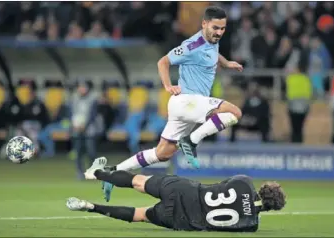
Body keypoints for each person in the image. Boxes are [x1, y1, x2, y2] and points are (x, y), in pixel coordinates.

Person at [101, 6, 243, 202]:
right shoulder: (191, 45)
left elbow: (212, 53)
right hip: (187, 101)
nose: (219, 32)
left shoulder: (212, 41)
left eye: (222, 28)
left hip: (189, 106)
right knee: (234, 112)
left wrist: (226, 63)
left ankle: (112, 173)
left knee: (162, 153)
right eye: (215, 28)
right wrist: (168, 85)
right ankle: (191, 141)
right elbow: (163, 62)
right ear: (204, 24)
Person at [67, 157, 286, 232]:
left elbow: (222, 184)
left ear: (264, 188)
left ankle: (95, 173)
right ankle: (90, 206)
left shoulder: (244, 182)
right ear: (271, 208)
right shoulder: (251, 225)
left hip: (187, 190)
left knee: (138, 182)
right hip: (185, 220)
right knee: (141, 215)